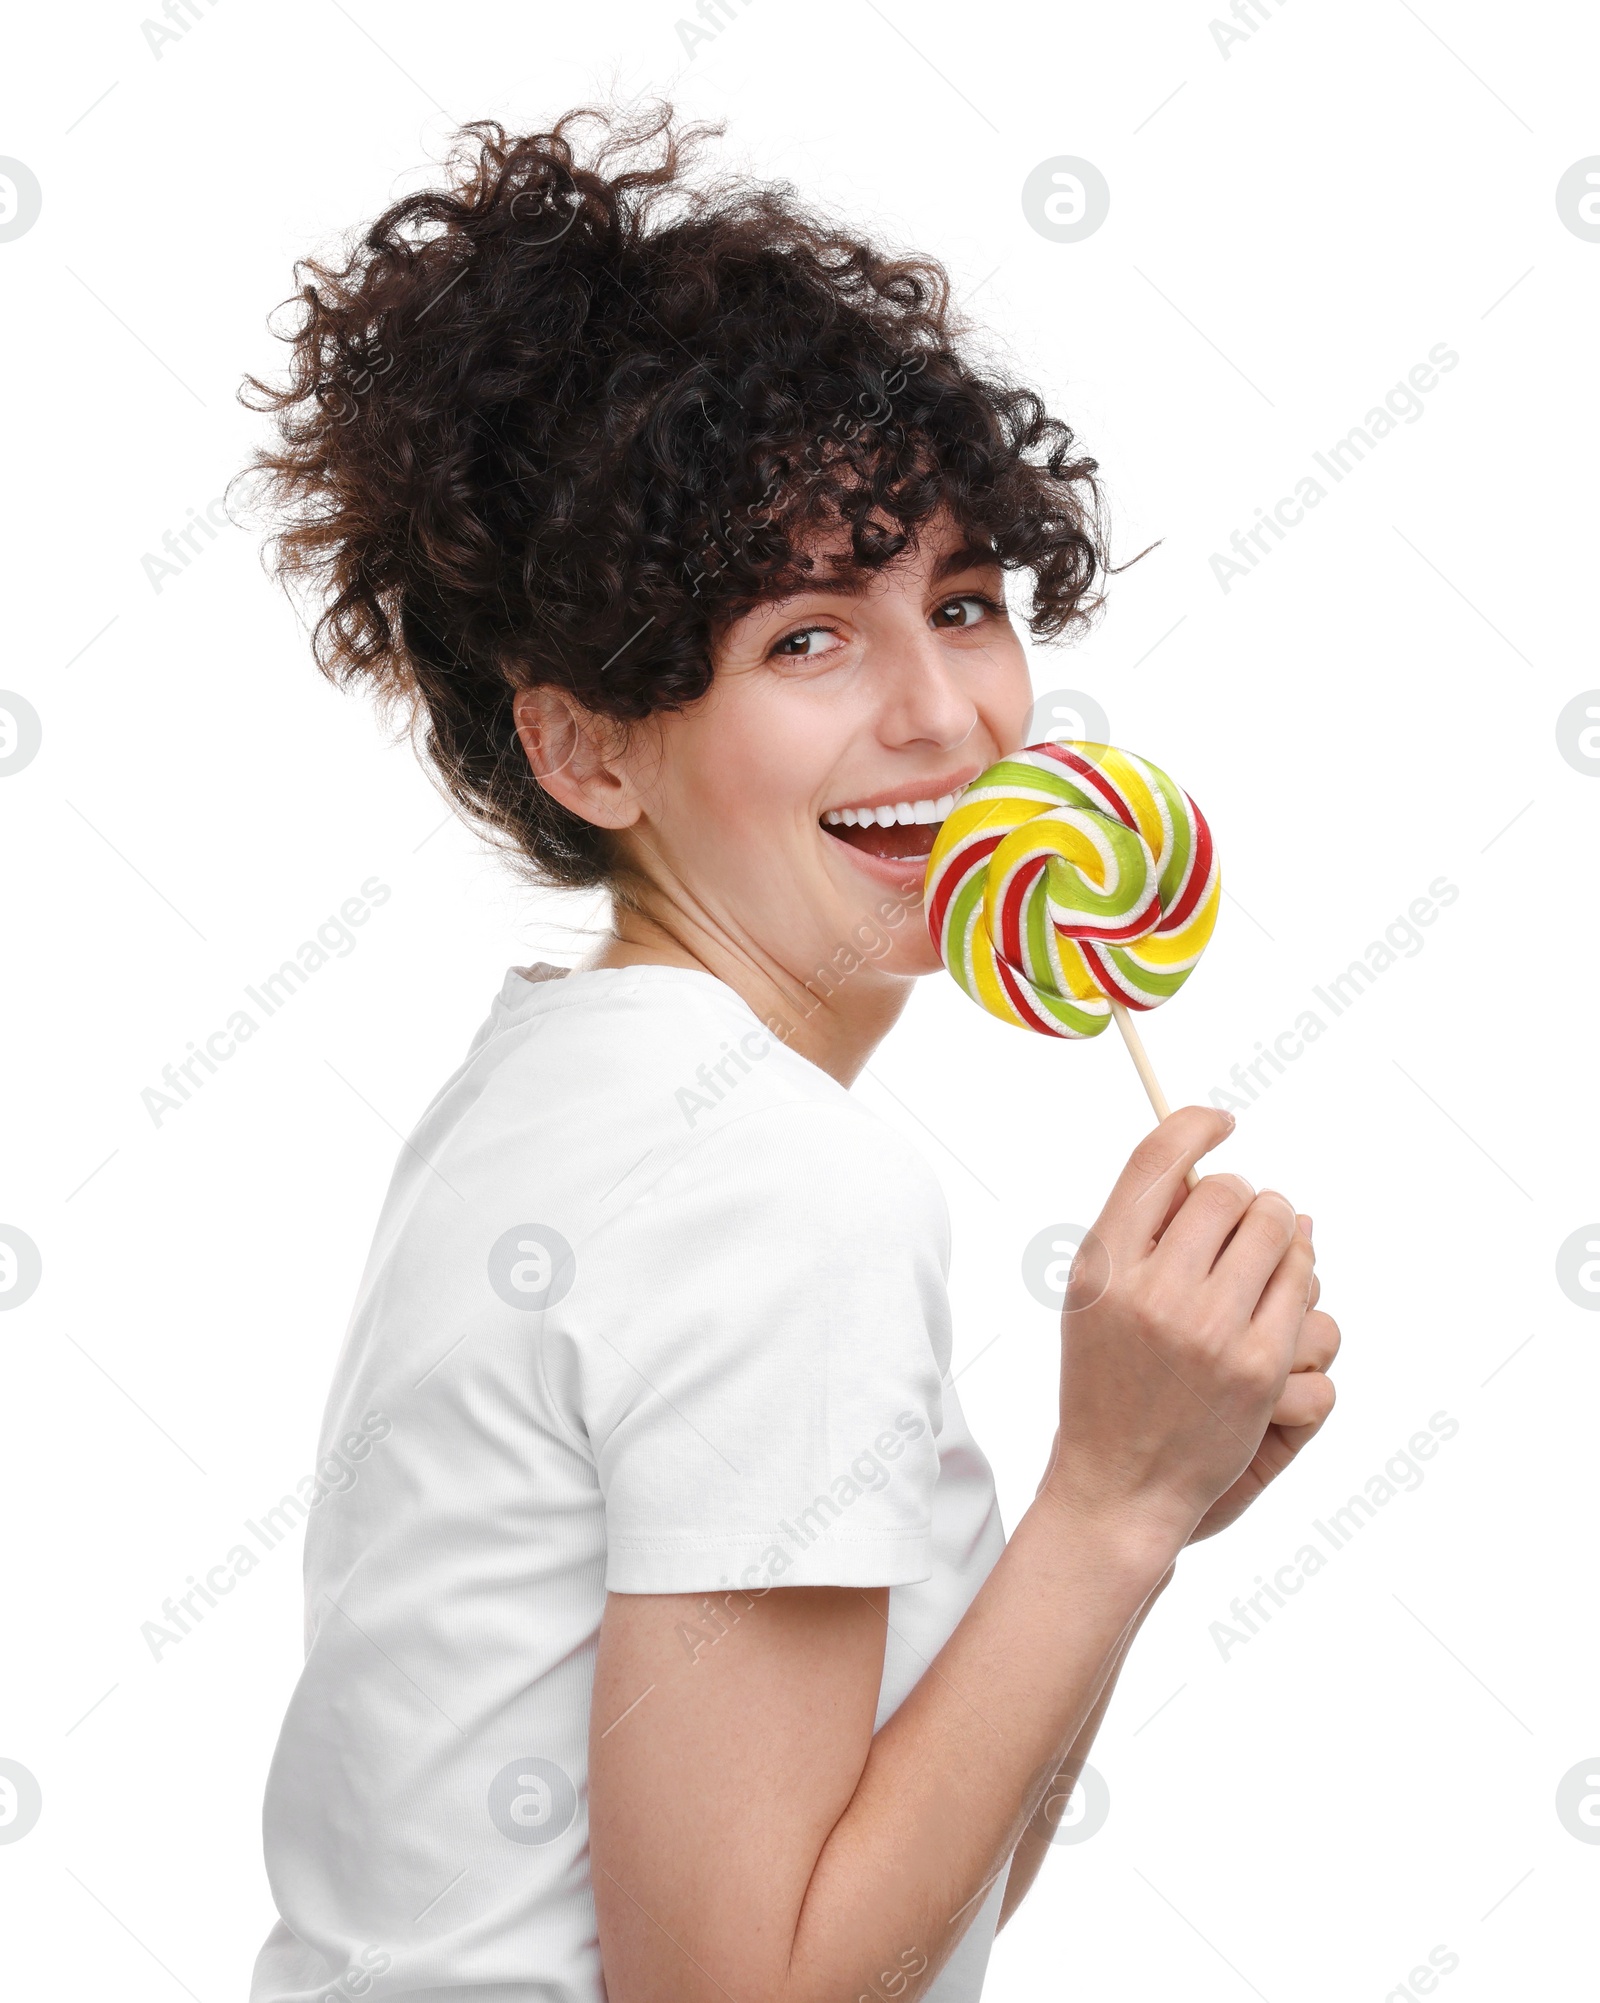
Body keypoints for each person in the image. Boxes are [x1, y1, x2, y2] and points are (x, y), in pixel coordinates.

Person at [239, 104, 1338, 2003]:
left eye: (968, 604)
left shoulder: (560, 1091)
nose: (944, 715)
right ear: (589, 751)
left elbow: (889, 1917)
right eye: (807, 640)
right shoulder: (768, 1177)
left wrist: (1132, 1520)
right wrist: (1106, 1505)